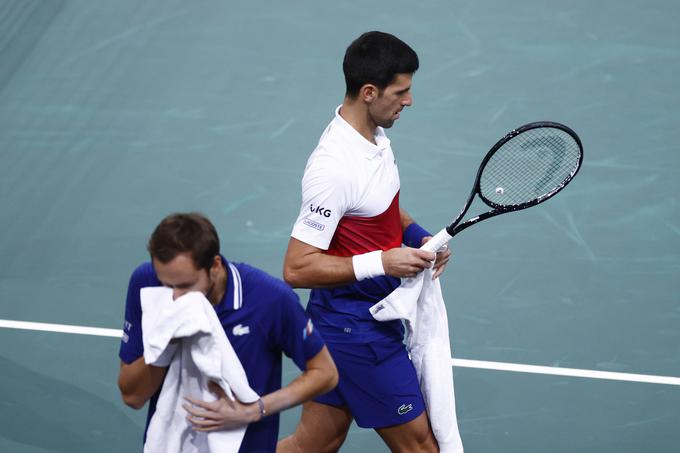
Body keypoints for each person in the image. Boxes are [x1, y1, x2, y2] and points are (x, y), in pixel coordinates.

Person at [279, 31, 451, 453]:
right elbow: (297, 268)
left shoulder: (373, 139)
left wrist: (418, 237)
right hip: (358, 333)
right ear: (370, 92)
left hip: (348, 322)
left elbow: (382, 207)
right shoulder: (334, 168)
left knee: (312, 446)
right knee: (422, 448)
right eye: (401, 91)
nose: (408, 100)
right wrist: (383, 263)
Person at [117, 212, 338, 452]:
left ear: (214, 266)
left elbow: (325, 374)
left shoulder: (270, 300)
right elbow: (133, 397)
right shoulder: (147, 284)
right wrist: (168, 339)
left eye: (185, 286)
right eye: (167, 284)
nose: (175, 297)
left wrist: (256, 409)